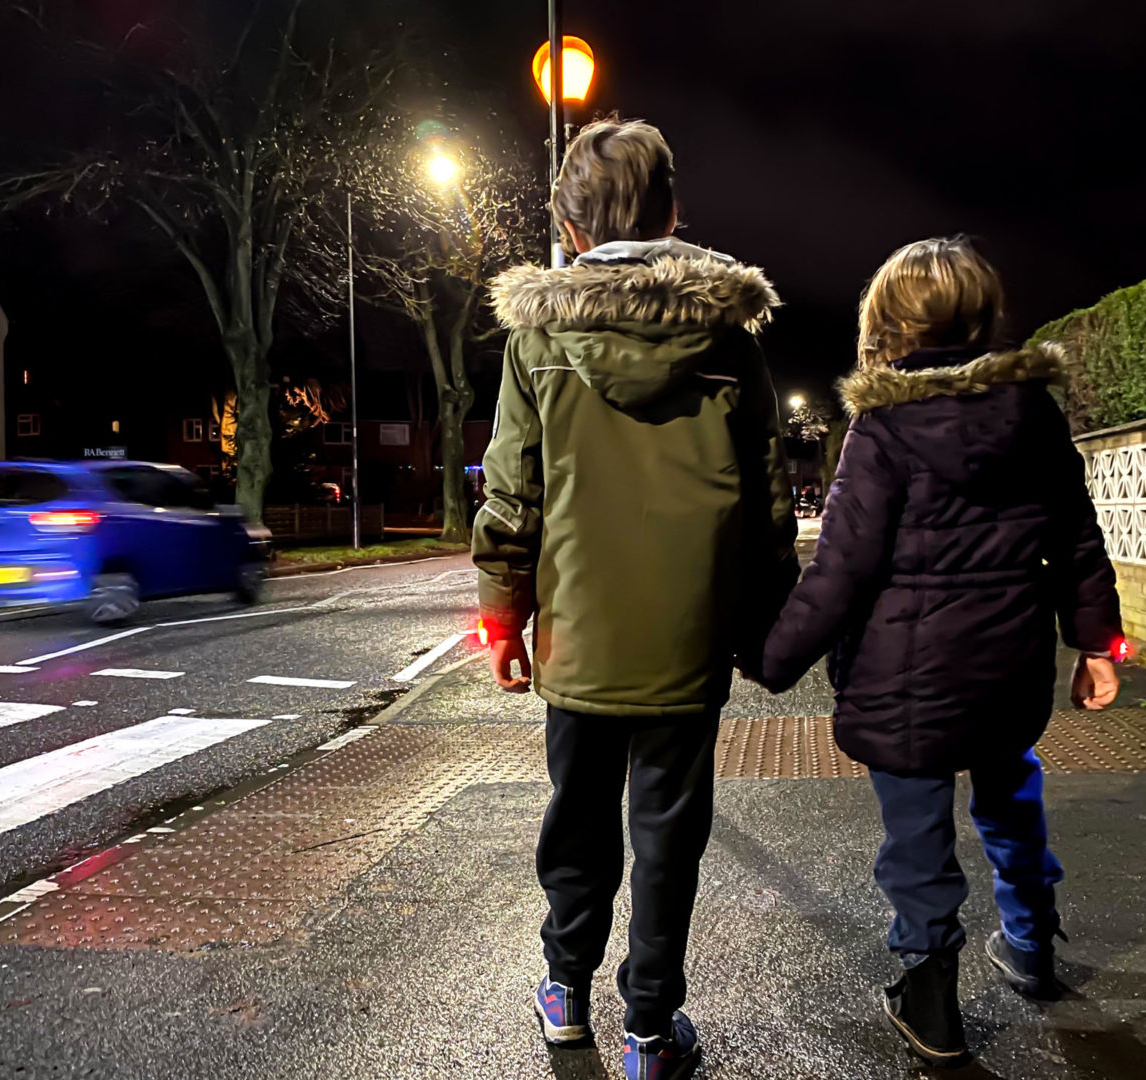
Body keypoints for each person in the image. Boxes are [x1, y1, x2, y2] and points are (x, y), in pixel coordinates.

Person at [474, 118, 797, 1080]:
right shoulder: (730, 339)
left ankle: (565, 992)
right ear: (672, 215)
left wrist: (504, 613)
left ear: (569, 228)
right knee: (669, 839)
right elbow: (766, 498)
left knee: (576, 818)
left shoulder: (536, 338)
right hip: (688, 634)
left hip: (579, 632)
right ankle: (649, 1034)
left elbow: (513, 490)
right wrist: (758, 619)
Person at [759, 236, 1123, 1067]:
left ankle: (932, 1003)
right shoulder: (1033, 410)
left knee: (917, 835)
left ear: (888, 323)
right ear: (981, 316)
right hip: (1007, 665)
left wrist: (774, 659)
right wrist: (1098, 642)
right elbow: (1074, 538)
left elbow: (841, 571)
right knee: (1011, 797)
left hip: (905, 676)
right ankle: (1031, 944)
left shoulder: (881, 428)